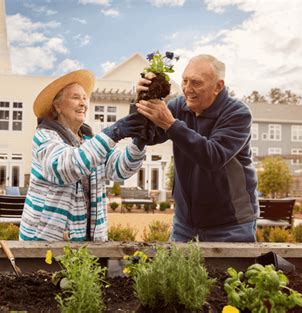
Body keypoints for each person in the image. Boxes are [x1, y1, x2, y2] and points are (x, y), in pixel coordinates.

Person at [135, 54, 259, 242]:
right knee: (175, 271)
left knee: (227, 273)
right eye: (184, 81)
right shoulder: (178, 106)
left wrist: (171, 124)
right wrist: (143, 98)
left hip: (231, 224)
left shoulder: (237, 114)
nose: (187, 89)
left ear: (218, 86)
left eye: (196, 83)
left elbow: (213, 156)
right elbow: (148, 135)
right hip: (185, 223)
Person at [20, 69, 150, 241]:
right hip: (46, 243)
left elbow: (120, 170)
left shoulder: (90, 139)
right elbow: (66, 167)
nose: (83, 103)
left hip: (89, 242)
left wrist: (139, 142)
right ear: (57, 106)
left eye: (84, 98)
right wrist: (113, 133)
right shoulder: (44, 136)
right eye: (75, 97)